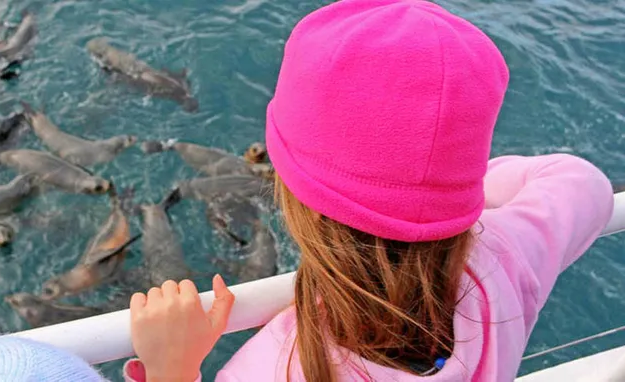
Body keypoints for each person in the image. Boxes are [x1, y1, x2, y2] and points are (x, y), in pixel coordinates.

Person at [125, 0, 614, 381]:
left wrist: (171, 372)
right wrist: (441, 189)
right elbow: (583, 181)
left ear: (298, 200)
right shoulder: (506, 257)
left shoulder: (272, 367)